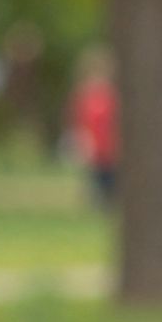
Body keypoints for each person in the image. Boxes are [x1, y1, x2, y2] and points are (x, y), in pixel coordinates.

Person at [68, 48, 119, 210]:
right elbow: (79, 122)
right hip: (94, 146)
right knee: (97, 179)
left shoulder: (112, 95)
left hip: (111, 146)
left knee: (111, 179)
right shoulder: (83, 96)